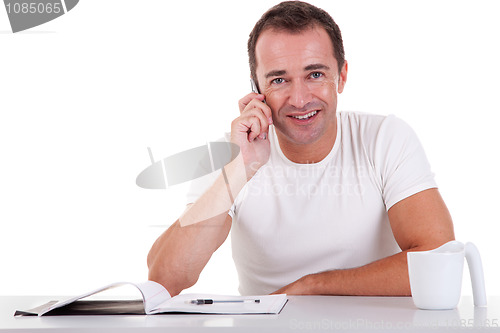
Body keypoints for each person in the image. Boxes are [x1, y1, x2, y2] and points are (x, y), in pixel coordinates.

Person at [147, 1, 455, 297]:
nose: (299, 99)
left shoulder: (385, 139)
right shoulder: (231, 153)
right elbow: (164, 278)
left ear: (342, 77)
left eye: (315, 74)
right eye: (279, 80)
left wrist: (312, 287)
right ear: (257, 90)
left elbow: (439, 261)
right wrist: (241, 168)